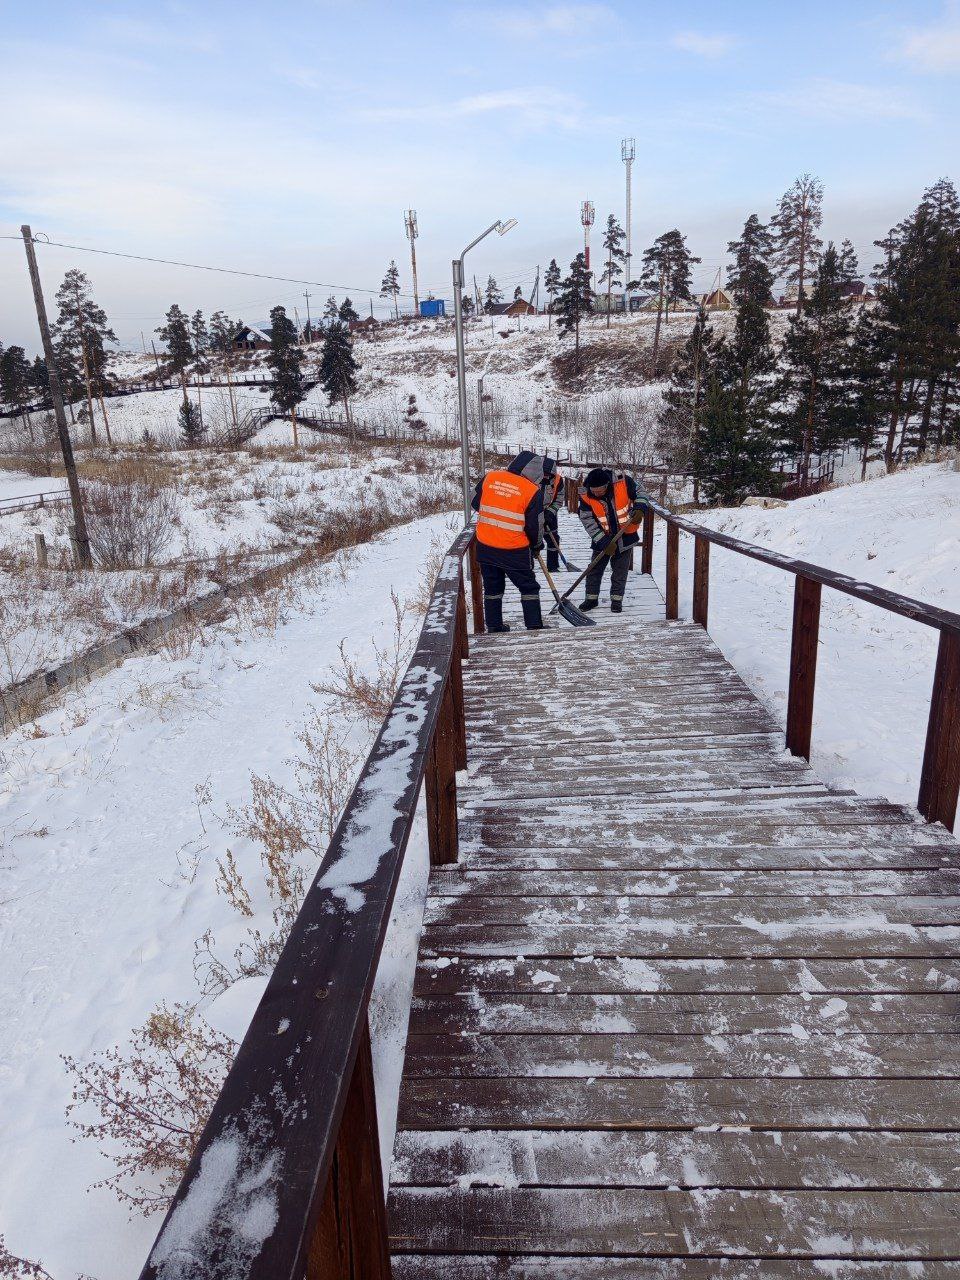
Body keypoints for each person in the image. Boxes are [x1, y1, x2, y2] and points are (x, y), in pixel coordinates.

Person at [472, 451, 558, 632]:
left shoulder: (491, 477)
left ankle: (495, 626)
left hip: (486, 546)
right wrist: (536, 546)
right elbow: (535, 525)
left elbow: (474, 501)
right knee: (529, 587)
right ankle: (534, 625)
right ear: (536, 472)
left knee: (493, 588)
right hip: (514, 550)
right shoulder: (532, 490)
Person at [578, 467, 651, 613]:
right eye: (594, 491)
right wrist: (602, 540)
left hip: (626, 534)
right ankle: (591, 599)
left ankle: (617, 601)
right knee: (594, 568)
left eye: (600, 490)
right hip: (602, 536)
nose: (596, 493)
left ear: (607, 485)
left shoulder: (623, 483)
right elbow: (587, 519)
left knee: (620, 570)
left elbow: (642, 492)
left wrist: (640, 507)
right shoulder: (586, 495)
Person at [543, 469, 565, 571]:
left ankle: (553, 566)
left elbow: (559, 499)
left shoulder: (558, 480)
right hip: (533, 513)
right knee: (529, 538)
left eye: (548, 475)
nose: (546, 477)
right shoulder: (532, 477)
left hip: (550, 513)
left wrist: (550, 512)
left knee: (553, 539)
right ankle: (528, 565)